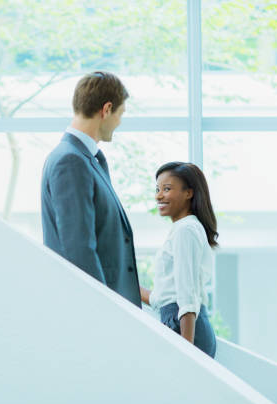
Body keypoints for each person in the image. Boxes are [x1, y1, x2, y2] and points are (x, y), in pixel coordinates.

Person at [41, 71, 141, 307]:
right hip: (95, 310)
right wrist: (102, 308)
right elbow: (79, 248)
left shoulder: (86, 158)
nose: (120, 122)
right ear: (106, 110)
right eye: (120, 113)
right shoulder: (71, 161)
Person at [139, 162, 218, 357]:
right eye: (157, 189)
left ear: (189, 193)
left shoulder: (185, 230)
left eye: (167, 189)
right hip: (178, 324)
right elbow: (164, 297)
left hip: (185, 331)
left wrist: (186, 352)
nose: (159, 196)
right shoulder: (183, 229)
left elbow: (187, 296)